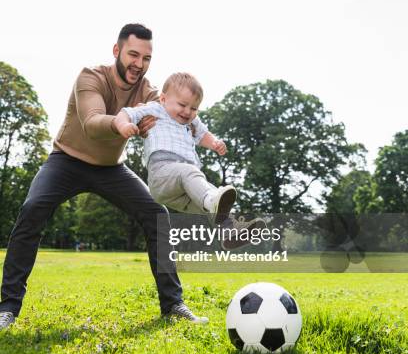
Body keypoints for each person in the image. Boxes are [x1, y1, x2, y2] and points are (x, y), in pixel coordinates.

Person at [0, 23, 208, 331]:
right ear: (117, 51)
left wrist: (198, 126)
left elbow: (178, 107)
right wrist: (122, 124)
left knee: (157, 216)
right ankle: (7, 308)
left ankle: (173, 304)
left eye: (146, 58)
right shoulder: (91, 77)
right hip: (66, 161)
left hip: (111, 169)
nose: (139, 64)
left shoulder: (148, 91)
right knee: (32, 210)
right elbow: (92, 121)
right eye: (133, 55)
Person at [113, 71, 266, 244]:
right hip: (162, 173)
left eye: (193, 108)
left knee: (211, 200)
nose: (187, 112)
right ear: (163, 99)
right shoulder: (155, 109)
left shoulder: (192, 122)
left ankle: (229, 232)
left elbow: (203, 135)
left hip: (181, 189)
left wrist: (215, 143)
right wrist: (124, 125)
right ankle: (211, 201)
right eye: (182, 105)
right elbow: (126, 113)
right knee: (198, 182)